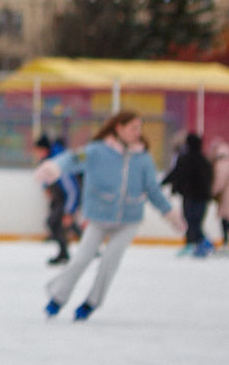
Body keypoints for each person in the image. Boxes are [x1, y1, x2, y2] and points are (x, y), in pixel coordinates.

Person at [34, 110, 185, 321]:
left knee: (109, 264)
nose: (137, 132)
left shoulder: (142, 158)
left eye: (139, 128)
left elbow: (152, 190)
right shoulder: (97, 151)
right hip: (98, 217)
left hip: (128, 220)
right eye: (133, 128)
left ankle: (91, 303)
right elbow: (72, 158)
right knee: (81, 259)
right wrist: (53, 167)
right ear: (119, 128)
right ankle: (58, 297)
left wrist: (170, 214)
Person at [161, 132, 215, 256]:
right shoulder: (204, 160)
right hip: (202, 197)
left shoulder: (186, 159)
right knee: (195, 221)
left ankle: (201, 244)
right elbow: (209, 178)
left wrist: (162, 184)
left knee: (191, 221)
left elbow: (176, 174)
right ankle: (195, 244)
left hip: (191, 195)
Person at [35, 133, 78, 265]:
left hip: (66, 197)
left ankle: (65, 253)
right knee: (56, 223)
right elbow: (46, 176)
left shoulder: (58, 164)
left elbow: (72, 189)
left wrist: (69, 211)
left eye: (38, 151)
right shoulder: (48, 160)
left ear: (45, 149)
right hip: (59, 196)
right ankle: (65, 252)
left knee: (55, 222)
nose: (36, 154)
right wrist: (46, 186)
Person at [211, 139, 229, 249]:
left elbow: (219, 182)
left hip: (226, 197)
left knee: (225, 219)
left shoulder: (222, 164)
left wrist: (211, 192)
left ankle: (226, 241)